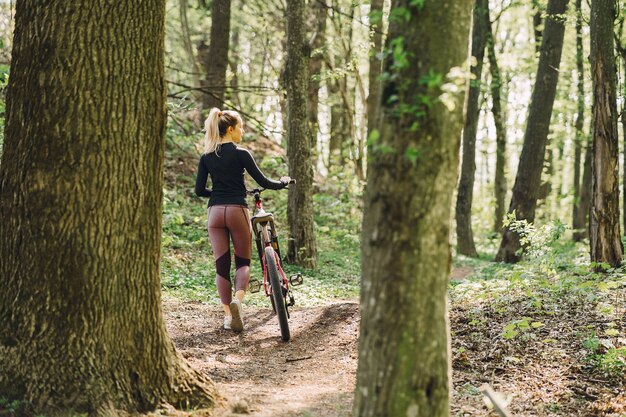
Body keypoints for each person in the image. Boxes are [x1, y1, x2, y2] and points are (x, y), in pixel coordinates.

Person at [195, 108, 290, 332]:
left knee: (221, 265)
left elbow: (199, 190)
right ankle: (237, 300)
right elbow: (264, 181)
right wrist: (283, 182)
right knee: (243, 263)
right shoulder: (241, 153)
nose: (243, 131)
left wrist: (218, 193)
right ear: (230, 129)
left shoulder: (207, 156)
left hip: (215, 213)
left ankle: (228, 316)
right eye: (241, 127)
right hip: (237, 210)